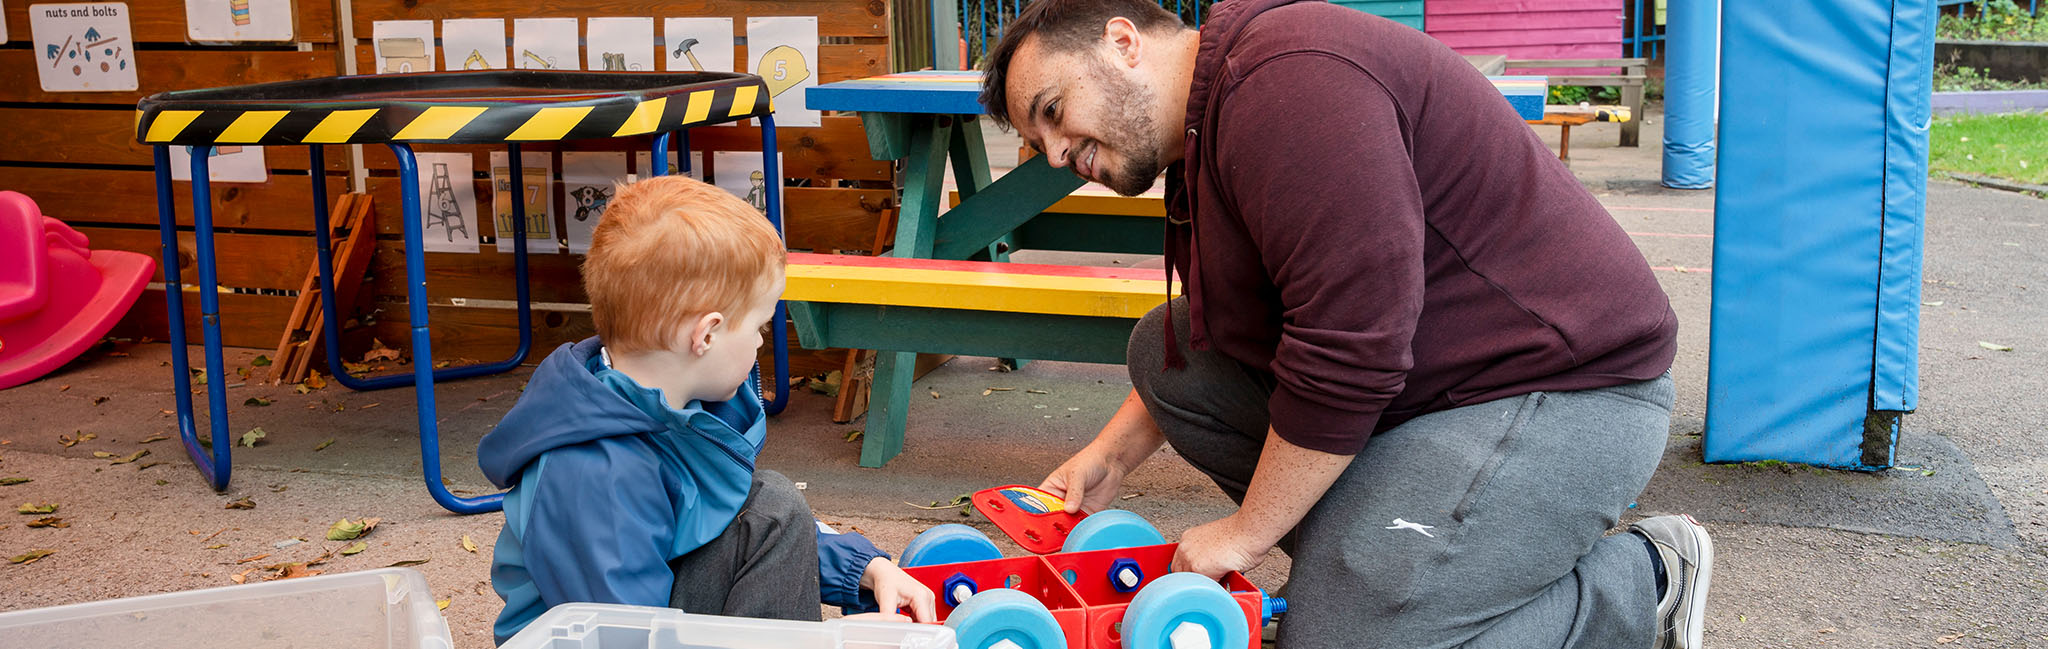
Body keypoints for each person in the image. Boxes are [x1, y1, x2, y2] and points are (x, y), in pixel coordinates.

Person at [980, 0, 1712, 647]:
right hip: (1433, 389)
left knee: (1337, 639)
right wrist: (1109, 456)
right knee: (1166, 354)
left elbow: (1350, 348)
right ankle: (1399, 575)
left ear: (1122, 41)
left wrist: (1246, 534)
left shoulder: (1286, 85)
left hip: (1562, 391)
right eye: (1036, 141)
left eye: (1052, 111)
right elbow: (1240, 328)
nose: (1056, 154)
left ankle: (1645, 579)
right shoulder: (1209, 125)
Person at [476, 175, 935, 643]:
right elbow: (625, 637)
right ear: (707, 335)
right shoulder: (591, 473)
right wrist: (825, 639)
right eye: (759, 325)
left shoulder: (676, 405)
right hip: (613, 638)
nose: (760, 342)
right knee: (772, 506)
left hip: (654, 615)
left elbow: (729, 512)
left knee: (772, 508)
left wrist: (863, 568)